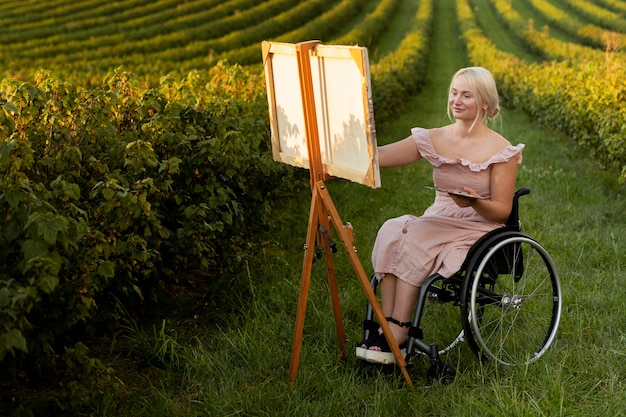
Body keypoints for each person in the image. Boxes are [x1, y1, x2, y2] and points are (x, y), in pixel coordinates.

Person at [356, 66, 524, 364]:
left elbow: (502, 210)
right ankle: (387, 322)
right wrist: (349, 146)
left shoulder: (501, 150)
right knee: (393, 229)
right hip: (439, 217)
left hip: (478, 224)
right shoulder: (434, 137)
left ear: (484, 102)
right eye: (453, 93)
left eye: (466, 95)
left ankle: (400, 330)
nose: (456, 101)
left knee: (418, 237)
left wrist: (472, 202)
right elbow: (379, 157)